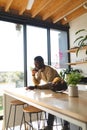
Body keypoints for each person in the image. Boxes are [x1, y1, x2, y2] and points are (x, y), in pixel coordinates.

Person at [26, 56, 70, 130]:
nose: (35, 66)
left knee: (63, 106)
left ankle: (66, 125)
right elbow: (37, 82)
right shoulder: (40, 71)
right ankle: (50, 126)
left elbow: (49, 84)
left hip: (61, 88)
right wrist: (33, 75)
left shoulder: (49, 69)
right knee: (51, 105)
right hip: (53, 90)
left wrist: (35, 87)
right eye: (35, 64)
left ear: (42, 62)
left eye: (37, 64)